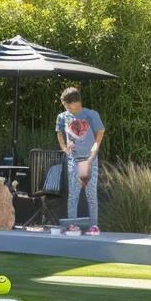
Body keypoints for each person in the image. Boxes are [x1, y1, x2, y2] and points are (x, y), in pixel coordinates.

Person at [55, 87, 105, 235]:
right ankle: (72, 225)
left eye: (68, 104)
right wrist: (64, 147)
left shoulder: (91, 115)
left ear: (76, 102)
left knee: (91, 195)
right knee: (73, 195)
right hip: (73, 160)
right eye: (65, 105)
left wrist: (92, 155)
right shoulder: (63, 117)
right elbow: (59, 132)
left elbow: (100, 134)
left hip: (89, 161)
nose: (66, 107)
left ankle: (94, 226)